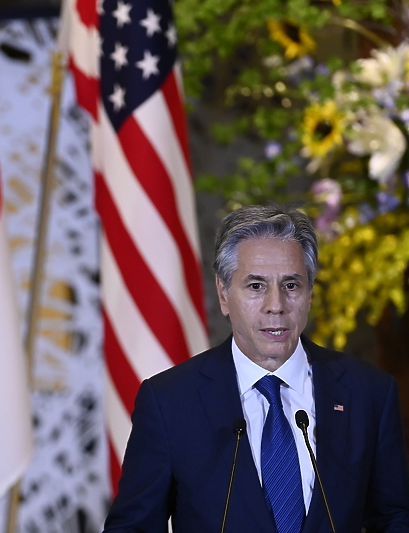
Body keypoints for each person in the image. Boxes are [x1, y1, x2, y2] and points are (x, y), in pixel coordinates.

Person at [103, 205, 409, 533]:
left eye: (291, 285)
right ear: (223, 294)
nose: (275, 305)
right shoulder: (170, 401)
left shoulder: (369, 393)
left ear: (310, 294)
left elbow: (394, 520)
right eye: (256, 286)